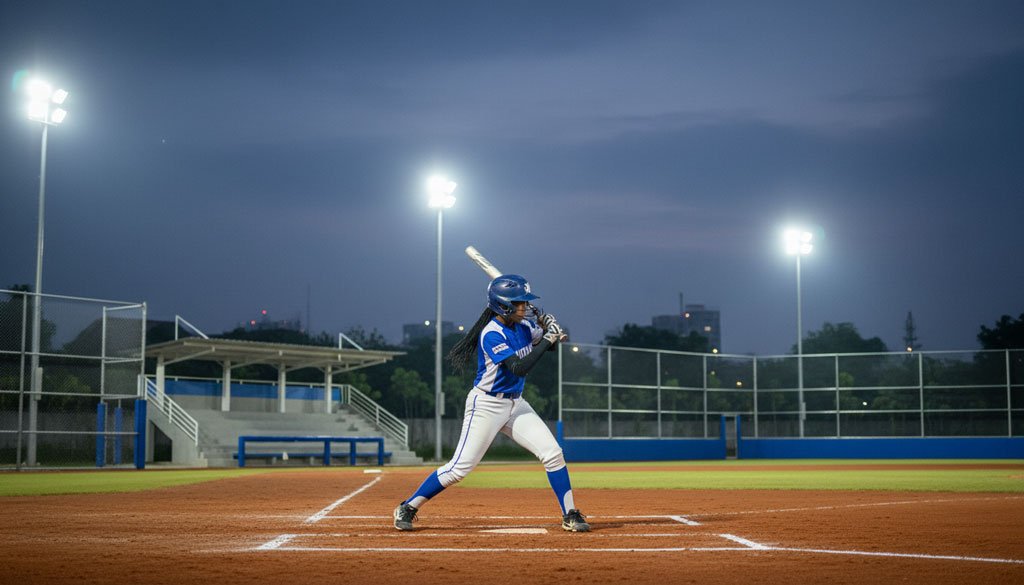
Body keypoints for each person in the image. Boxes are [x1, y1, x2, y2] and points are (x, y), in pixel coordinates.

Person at [393, 274, 590, 532]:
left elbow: (549, 344)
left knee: (553, 454)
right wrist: (547, 340)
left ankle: (570, 514)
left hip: (515, 405)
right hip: (486, 405)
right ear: (504, 306)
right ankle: (408, 506)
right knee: (459, 469)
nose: (525, 307)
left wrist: (552, 330)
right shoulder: (491, 334)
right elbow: (519, 367)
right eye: (520, 303)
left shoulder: (523, 327)